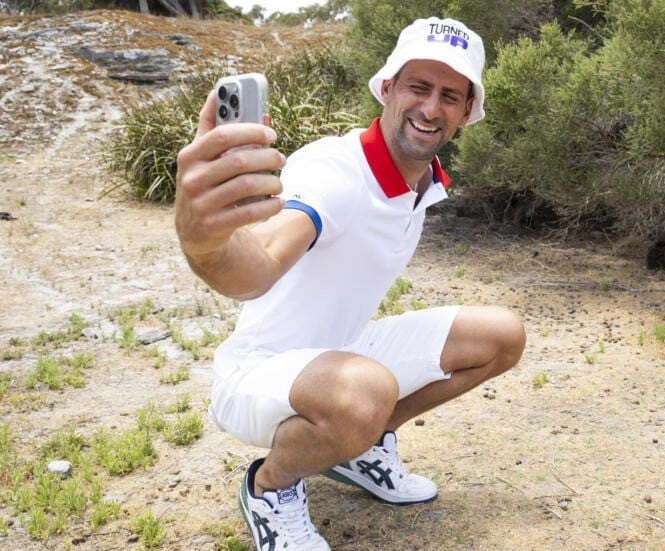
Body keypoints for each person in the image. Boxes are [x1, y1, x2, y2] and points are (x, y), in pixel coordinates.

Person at [174, 17, 525, 551]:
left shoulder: (420, 180)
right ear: (387, 88)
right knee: (364, 391)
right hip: (259, 375)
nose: (431, 108)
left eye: (450, 96)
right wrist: (203, 241)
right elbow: (262, 262)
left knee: (502, 335)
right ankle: (270, 487)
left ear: (465, 115)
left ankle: (360, 445)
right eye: (418, 87)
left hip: (343, 353)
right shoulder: (337, 173)